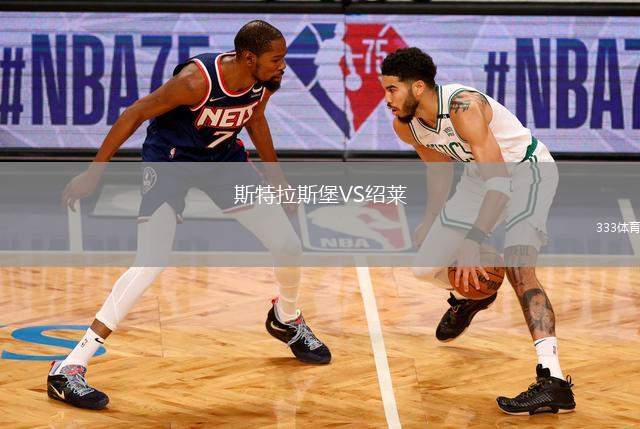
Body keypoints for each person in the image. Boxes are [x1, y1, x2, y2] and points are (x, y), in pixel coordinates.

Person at [48, 20, 331, 410]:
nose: (284, 65)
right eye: (276, 58)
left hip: (222, 160)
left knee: (288, 245)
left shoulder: (263, 81)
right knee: (151, 262)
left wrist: (278, 180)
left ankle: (286, 318)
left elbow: (255, 119)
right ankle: (68, 367)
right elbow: (134, 114)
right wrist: (94, 173)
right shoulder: (195, 82)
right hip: (172, 162)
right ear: (250, 58)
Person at [379, 47, 575, 415]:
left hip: (527, 173)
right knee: (424, 268)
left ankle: (553, 380)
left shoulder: (463, 107)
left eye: (392, 90)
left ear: (417, 87)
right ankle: (474, 296)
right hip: (479, 179)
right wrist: (431, 217)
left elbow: (501, 184)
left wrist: (474, 240)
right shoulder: (406, 125)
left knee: (519, 268)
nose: (386, 99)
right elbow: (439, 169)